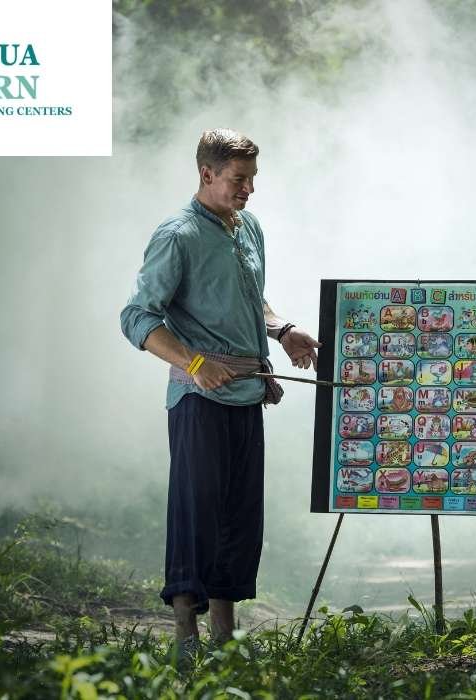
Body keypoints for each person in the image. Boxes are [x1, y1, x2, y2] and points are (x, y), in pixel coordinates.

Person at [119, 128, 320, 653]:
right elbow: (137, 317)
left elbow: (251, 298)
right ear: (207, 174)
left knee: (239, 515)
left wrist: (282, 330)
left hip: (247, 393)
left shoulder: (248, 227)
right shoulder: (177, 236)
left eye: (252, 179)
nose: (249, 189)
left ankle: (225, 638)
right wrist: (195, 363)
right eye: (238, 179)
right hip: (199, 398)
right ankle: (185, 639)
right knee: (197, 511)